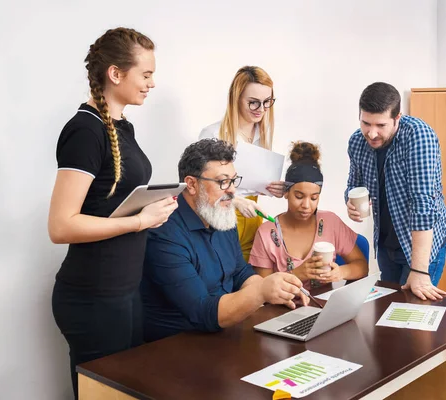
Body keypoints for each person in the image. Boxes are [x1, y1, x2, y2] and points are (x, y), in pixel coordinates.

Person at [48, 28, 178, 397]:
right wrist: (139, 221)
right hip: (93, 297)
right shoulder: (85, 131)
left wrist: (152, 207)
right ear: (116, 74)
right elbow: (61, 225)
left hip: (124, 290)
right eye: (146, 74)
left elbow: (107, 202)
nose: (152, 83)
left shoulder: (122, 128)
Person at [140, 138, 307, 341]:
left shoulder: (220, 214)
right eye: (223, 182)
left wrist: (277, 291)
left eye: (234, 180)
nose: (232, 191)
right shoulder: (164, 233)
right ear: (192, 184)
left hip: (225, 333)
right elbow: (203, 312)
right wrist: (261, 292)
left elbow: (239, 272)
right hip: (175, 345)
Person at [345, 82, 446, 301]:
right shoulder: (357, 141)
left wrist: (420, 270)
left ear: (397, 118)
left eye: (380, 125)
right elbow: (353, 186)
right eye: (366, 123)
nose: (371, 133)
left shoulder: (418, 137)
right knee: (388, 309)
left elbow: (422, 205)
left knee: (412, 313)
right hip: (386, 245)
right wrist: (349, 202)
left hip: (423, 245)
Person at [250, 142, 368, 290]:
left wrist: (340, 272)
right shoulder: (267, 233)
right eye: (299, 196)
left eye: (314, 198)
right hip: (283, 310)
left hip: (323, 308)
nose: (306, 205)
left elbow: (362, 266)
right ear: (286, 192)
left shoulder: (331, 223)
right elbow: (262, 290)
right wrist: (296, 274)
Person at [199, 66, 285, 261]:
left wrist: (276, 188)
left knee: (249, 277)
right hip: (221, 218)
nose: (261, 109)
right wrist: (235, 201)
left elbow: (255, 184)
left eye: (267, 102)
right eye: (253, 103)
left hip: (253, 219)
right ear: (236, 98)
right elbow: (199, 187)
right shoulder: (213, 135)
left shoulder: (265, 135)